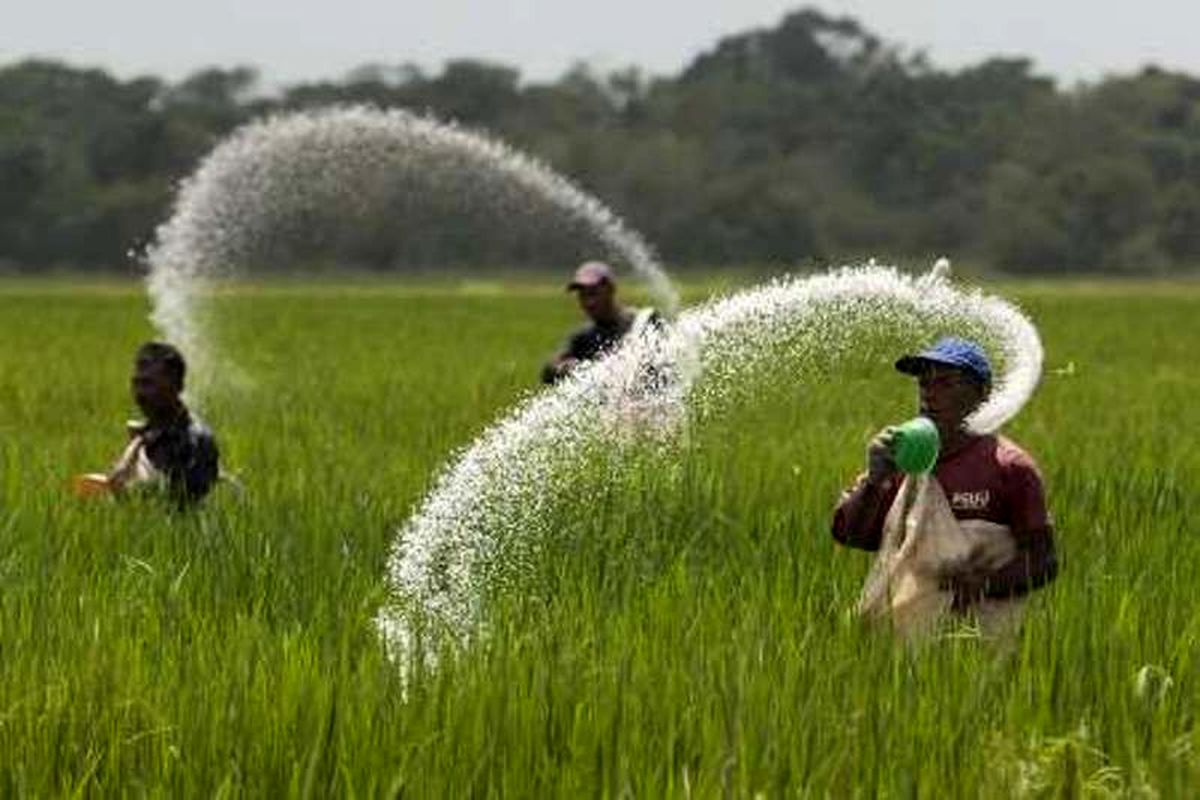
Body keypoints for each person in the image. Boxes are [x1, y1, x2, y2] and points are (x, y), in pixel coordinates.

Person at [832, 337, 1058, 614]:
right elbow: (853, 536)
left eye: (947, 383)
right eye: (924, 383)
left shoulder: (1010, 468)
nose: (929, 393)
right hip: (902, 641)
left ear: (982, 395)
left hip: (979, 639)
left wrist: (982, 584)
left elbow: (1043, 561)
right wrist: (874, 481)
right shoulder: (902, 458)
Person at [97, 342, 220, 506]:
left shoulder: (194, 440)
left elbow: (182, 506)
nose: (139, 394)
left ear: (177, 387)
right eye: (137, 383)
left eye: (149, 384)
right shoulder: (148, 433)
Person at [541, 261, 659, 384]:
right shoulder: (584, 337)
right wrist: (564, 368)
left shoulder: (643, 322)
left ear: (610, 290)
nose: (588, 303)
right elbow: (548, 371)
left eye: (593, 294)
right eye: (582, 296)